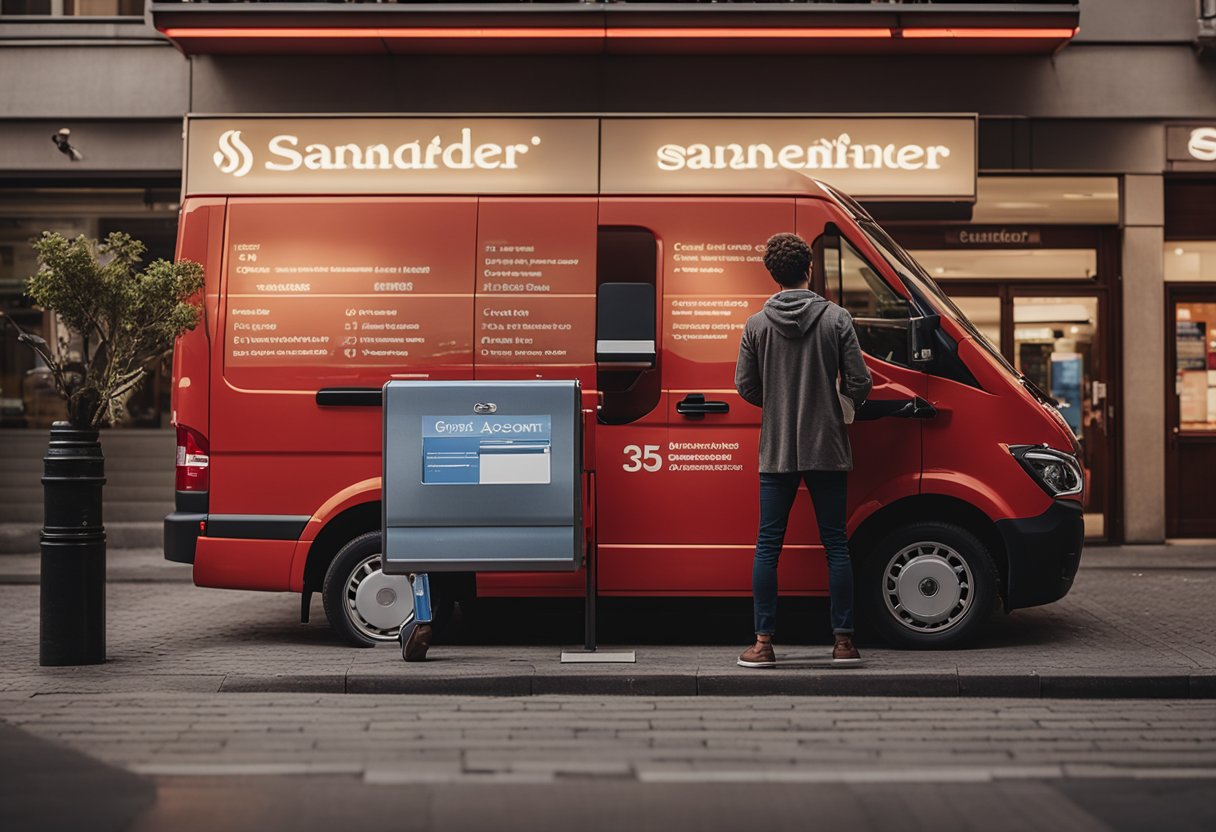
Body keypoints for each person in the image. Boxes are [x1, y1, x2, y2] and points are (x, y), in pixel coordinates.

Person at [734, 232, 872, 668]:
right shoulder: (837, 319)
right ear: (808, 269)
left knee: (768, 545)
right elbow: (860, 382)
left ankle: (762, 644)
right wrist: (840, 404)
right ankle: (844, 642)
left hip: (776, 450)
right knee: (835, 543)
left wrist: (776, 403)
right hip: (827, 445)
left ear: (773, 275)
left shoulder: (756, 324)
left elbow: (744, 385)